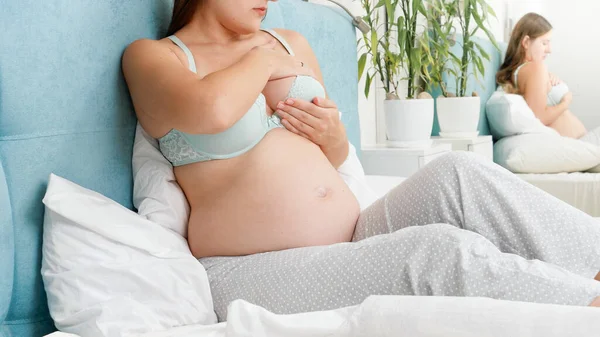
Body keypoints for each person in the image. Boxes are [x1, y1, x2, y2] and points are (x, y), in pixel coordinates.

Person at [122, 0, 600, 321]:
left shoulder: (291, 41)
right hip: (246, 270)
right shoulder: (153, 57)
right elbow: (213, 109)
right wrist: (262, 59)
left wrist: (334, 137)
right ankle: (588, 306)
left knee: (460, 173)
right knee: (436, 251)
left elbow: (330, 157)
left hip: (352, 232)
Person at [496, 12, 600, 143]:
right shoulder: (535, 67)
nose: (549, 50)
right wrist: (566, 102)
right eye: (544, 43)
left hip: (580, 143)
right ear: (526, 42)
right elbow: (540, 117)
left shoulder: (527, 70)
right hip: (578, 145)